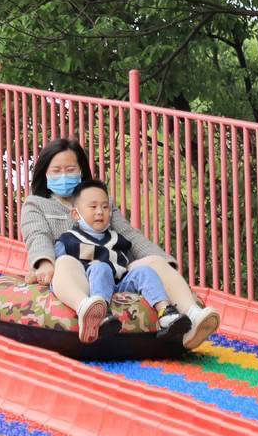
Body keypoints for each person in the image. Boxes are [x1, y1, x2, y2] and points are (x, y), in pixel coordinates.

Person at [21, 136, 220, 349]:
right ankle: (87, 309)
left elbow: (128, 234)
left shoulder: (98, 200)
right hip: (76, 273)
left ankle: (193, 317)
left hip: (112, 270)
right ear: (45, 174)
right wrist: (44, 263)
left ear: (81, 172)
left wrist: (163, 264)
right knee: (65, 262)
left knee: (152, 262)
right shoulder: (37, 204)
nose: (64, 176)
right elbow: (37, 235)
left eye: (70, 170)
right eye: (57, 171)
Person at [55, 179, 172, 321]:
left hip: (119, 284)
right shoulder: (68, 240)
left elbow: (129, 263)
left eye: (105, 207)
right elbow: (62, 272)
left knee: (144, 271)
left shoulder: (117, 239)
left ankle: (165, 312)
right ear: (76, 214)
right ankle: (99, 313)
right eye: (93, 207)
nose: (100, 212)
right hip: (89, 287)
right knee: (100, 267)